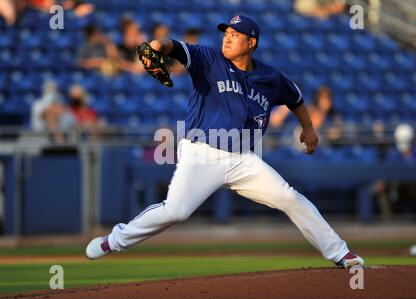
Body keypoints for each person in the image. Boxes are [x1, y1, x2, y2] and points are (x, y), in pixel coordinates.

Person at [86, 15, 364, 269]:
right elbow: (177, 47)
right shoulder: (209, 59)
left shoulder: (270, 78)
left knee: (290, 198)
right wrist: (157, 45)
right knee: (176, 211)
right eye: (226, 33)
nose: (227, 37)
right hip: (202, 152)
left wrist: (308, 128)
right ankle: (114, 240)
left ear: (251, 42)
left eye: (235, 34)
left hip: (243, 158)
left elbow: (296, 99)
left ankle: (340, 253)